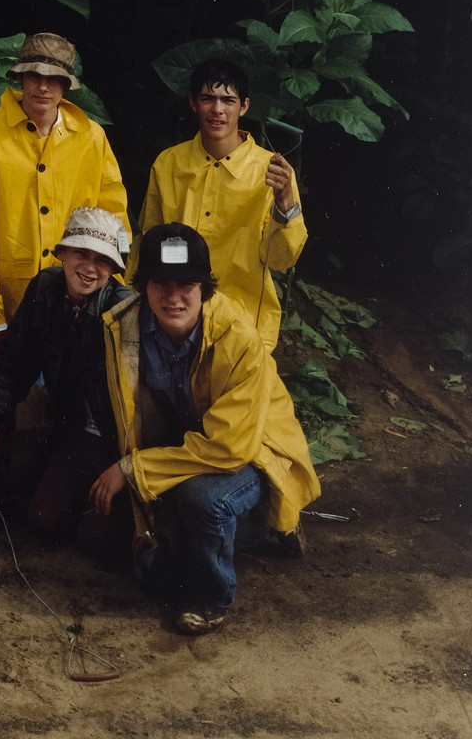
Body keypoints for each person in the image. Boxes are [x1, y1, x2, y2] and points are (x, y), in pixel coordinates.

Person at [91, 224, 319, 635]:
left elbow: (230, 446)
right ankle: (259, 530)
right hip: (184, 449)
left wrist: (132, 470)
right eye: (160, 282)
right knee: (153, 576)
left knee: (202, 499)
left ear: (205, 288)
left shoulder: (240, 336)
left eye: (187, 284)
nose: (173, 296)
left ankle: (212, 598)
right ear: (143, 286)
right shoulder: (123, 328)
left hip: (251, 448)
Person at [0, 208, 134, 560]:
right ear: (62, 253)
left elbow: (146, 407)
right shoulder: (45, 287)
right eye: (81, 253)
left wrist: (127, 467)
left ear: (113, 270)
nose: (89, 267)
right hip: (75, 432)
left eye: (102, 260)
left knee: (99, 545)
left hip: (120, 444)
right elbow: (15, 362)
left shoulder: (124, 310)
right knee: (42, 520)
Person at [0, 32, 129, 354]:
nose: (43, 87)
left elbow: (114, 219)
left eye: (54, 79)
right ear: (21, 78)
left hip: (77, 299)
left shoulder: (91, 137)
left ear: (66, 85)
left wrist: (112, 292)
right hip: (6, 301)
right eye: (35, 76)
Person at [138, 59, 306, 350]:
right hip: (174, 315)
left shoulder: (271, 172)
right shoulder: (169, 164)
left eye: (228, 100)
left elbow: (282, 260)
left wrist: (285, 204)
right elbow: (149, 242)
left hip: (242, 321)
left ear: (244, 106)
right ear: (193, 104)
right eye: (208, 99)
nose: (217, 110)